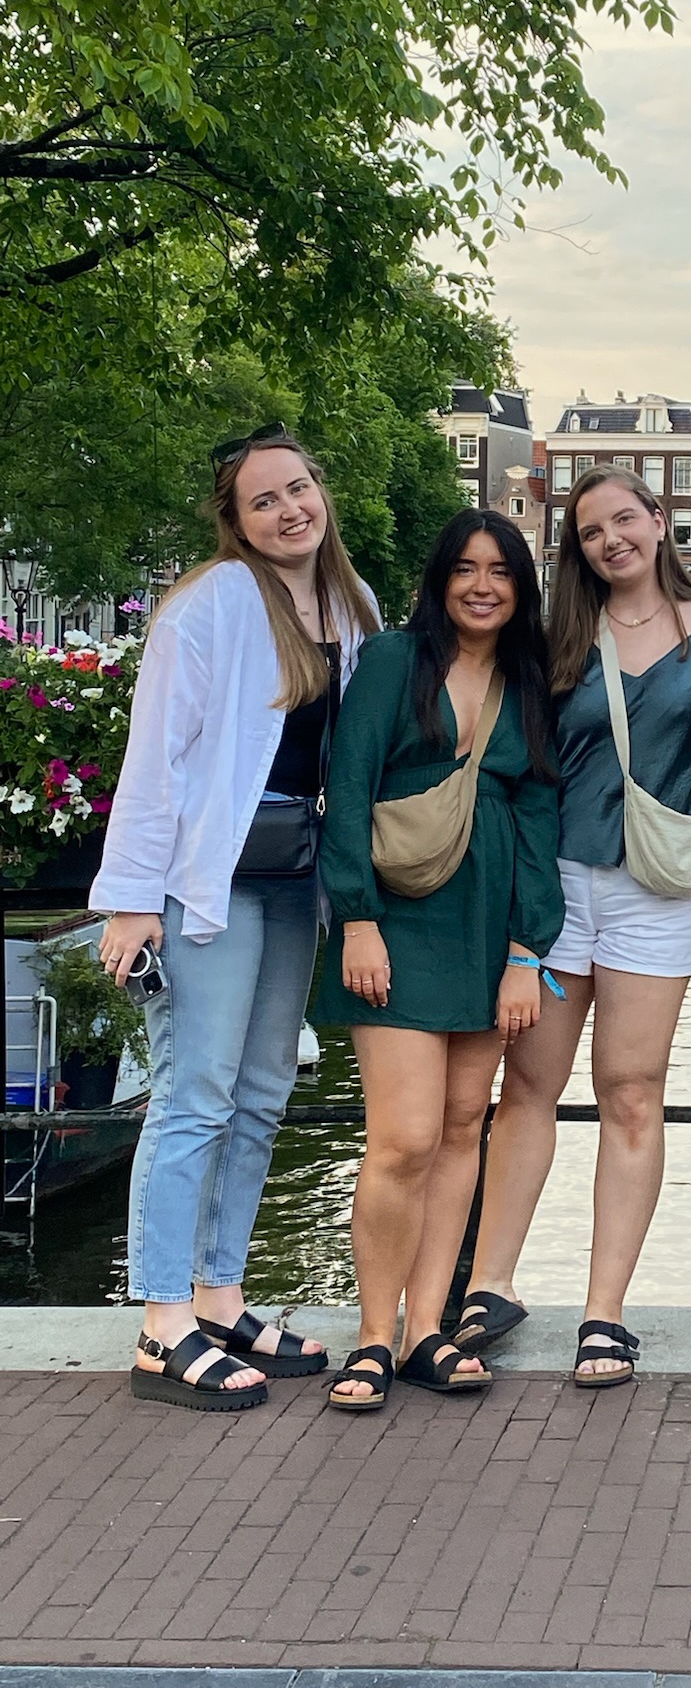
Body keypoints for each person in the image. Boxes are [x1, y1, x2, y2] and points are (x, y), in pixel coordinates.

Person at [92, 426, 380, 1411]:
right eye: (264, 500)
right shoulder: (208, 605)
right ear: (237, 520)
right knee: (194, 1094)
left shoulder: (351, 606)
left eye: (298, 488)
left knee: (260, 1093)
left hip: (295, 876)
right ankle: (161, 1322)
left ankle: (220, 1295)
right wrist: (133, 900)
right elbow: (155, 753)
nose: (289, 508)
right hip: (206, 877)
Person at [457, 466, 691, 1387]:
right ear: (574, 547)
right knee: (528, 1082)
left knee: (632, 1090)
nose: (611, 538)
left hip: (655, 889)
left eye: (626, 518)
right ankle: (491, 1285)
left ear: (659, 523)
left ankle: (604, 1311)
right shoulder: (554, 636)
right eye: (591, 530)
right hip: (558, 880)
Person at [313, 510, 563, 1409]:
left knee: (463, 1128)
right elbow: (347, 788)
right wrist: (358, 918)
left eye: (500, 571)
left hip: (490, 925)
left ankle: (426, 1328)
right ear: (440, 579)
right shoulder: (390, 661)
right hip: (399, 921)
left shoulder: (529, 680)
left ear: (521, 585)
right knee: (405, 1136)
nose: (482, 585)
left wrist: (528, 950)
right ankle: (373, 1333)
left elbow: (539, 818)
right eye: (465, 569)